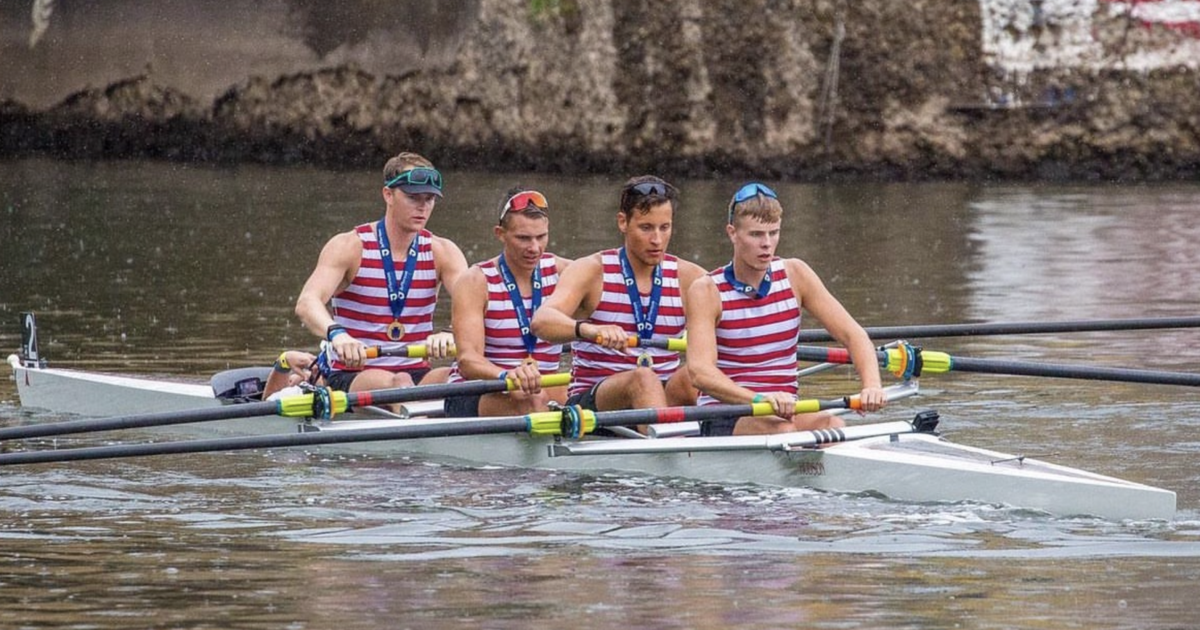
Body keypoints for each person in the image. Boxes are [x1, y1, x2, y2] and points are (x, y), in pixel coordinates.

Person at [685, 182, 887, 436]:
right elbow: (700, 373)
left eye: (773, 233)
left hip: (784, 412)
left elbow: (853, 335)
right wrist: (759, 399)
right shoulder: (706, 290)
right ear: (732, 233)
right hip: (726, 414)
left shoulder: (796, 274)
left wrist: (872, 386)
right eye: (756, 234)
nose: (767, 244)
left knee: (832, 425)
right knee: (781, 430)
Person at [530, 175, 706, 414]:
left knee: (694, 374)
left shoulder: (690, 278)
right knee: (643, 379)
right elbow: (542, 321)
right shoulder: (591, 271)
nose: (657, 240)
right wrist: (590, 330)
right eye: (646, 228)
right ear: (623, 222)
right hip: (596, 402)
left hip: (662, 396)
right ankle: (668, 447)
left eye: (664, 228)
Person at [295, 152, 468, 394]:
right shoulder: (350, 247)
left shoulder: (443, 252)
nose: (422, 207)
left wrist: (452, 332)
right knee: (399, 384)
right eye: (412, 197)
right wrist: (337, 334)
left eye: (429, 199)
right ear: (388, 194)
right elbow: (307, 302)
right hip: (352, 372)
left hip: (417, 372)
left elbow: (478, 306)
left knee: (466, 375)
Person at [443, 187, 573, 417]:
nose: (534, 248)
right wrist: (507, 375)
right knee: (532, 398)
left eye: (541, 237)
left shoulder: (566, 273)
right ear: (500, 234)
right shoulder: (475, 281)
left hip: (541, 389)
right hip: (478, 391)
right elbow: (468, 360)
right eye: (523, 238)